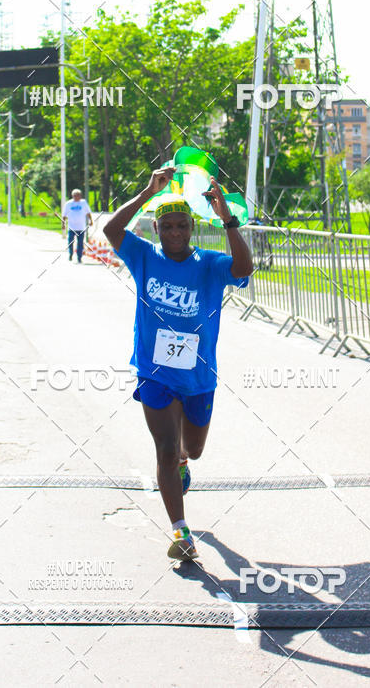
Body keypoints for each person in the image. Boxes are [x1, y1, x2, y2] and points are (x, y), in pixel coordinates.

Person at [103, 166, 253, 562]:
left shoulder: (210, 263)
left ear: (191, 228)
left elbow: (243, 270)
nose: (173, 234)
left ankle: (186, 461)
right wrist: (147, 192)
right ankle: (181, 532)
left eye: (181, 226)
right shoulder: (144, 257)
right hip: (154, 373)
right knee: (165, 449)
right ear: (156, 228)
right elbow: (112, 231)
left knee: (192, 449)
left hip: (199, 377)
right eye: (166, 226)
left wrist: (227, 219)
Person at [62, 189, 93, 263]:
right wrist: (63, 224)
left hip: (81, 227)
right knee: (70, 242)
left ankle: (79, 257)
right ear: (73, 196)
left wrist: (90, 220)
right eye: (75, 195)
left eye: (78, 195)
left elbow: (88, 212)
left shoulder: (83, 203)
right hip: (71, 227)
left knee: (80, 243)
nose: (77, 197)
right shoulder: (68, 204)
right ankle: (70, 254)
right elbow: (64, 215)